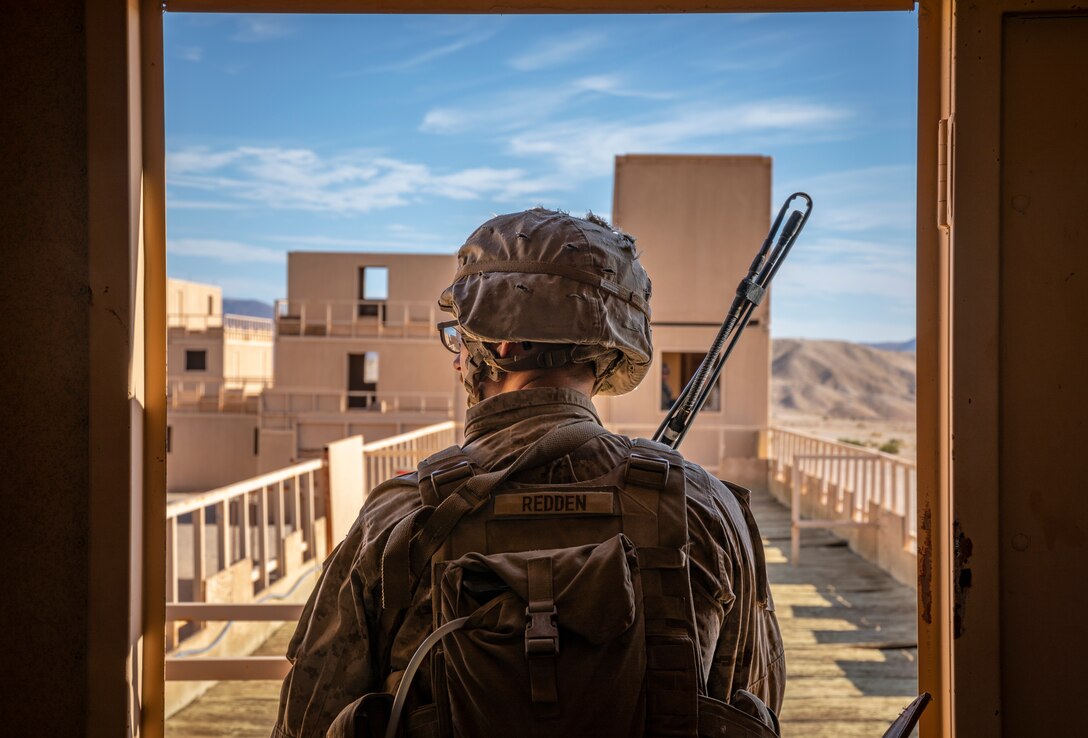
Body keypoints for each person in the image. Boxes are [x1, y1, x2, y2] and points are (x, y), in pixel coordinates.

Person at [271, 208, 785, 738]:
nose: (457, 359)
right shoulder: (706, 506)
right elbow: (749, 701)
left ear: (506, 344)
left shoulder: (402, 515)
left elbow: (308, 719)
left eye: (462, 337)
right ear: (611, 350)